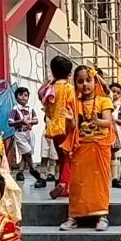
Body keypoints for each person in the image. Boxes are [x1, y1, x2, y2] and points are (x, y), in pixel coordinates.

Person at [59, 65, 115, 232]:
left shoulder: (104, 100)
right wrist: (70, 119)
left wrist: (97, 121)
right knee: (77, 182)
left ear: (95, 81)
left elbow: (108, 123)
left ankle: (102, 215)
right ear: (75, 84)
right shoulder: (74, 103)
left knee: (100, 182)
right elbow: (73, 127)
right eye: (80, 81)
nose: (84, 84)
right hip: (80, 146)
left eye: (88, 80)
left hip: (99, 146)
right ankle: (74, 216)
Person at [39, 56, 75, 199]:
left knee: (61, 157)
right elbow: (73, 107)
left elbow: (47, 110)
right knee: (69, 157)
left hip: (53, 127)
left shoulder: (50, 89)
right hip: (67, 126)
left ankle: (62, 181)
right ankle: (64, 184)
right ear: (69, 73)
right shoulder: (69, 89)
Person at [9, 87, 46, 188]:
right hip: (20, 133)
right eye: (20, 95)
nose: (23, 97)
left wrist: (30, 121)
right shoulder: (15, 109)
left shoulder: (30, 109)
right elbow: (10, 122)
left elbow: (36, 120)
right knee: (28, 153)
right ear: (16, 97)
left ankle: (20, 172)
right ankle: (33, 170)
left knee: (25, 154)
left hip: (30, 133)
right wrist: (20, 121)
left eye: (25, 95)